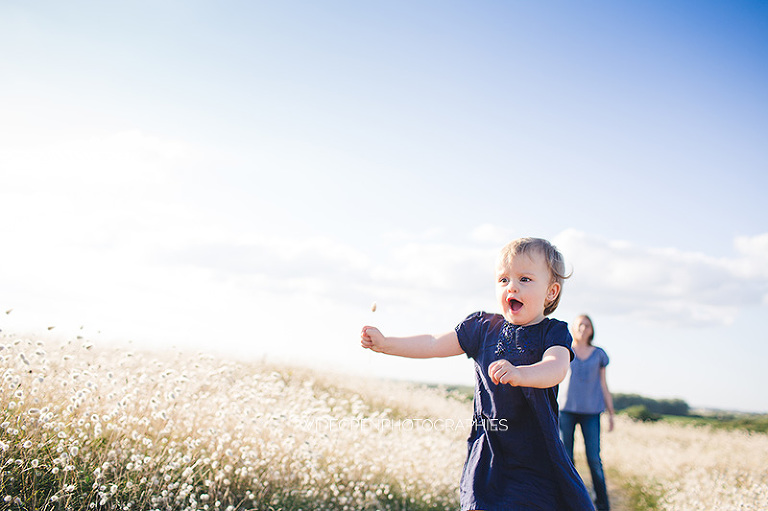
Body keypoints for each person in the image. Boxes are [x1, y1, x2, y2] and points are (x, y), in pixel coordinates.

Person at [361, 238, 594, 511]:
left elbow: (556, 368)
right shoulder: (482, 327)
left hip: (534, 455)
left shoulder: (553, 332)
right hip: (490, 450)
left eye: (525, 279)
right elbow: (434, 343)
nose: (512, 287)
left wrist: (520, 374)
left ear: (551, 292)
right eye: (503, 280)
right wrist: (387, 343)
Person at [559, 315, 615, 511]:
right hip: (566, 410)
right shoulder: (564, 350)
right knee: (566, 458)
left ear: (591, 330)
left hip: (591, 412)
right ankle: (568, 503)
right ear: (574, 328)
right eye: (579, 325)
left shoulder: (599, 354)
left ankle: (603, 505)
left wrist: (611, 413)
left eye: (587, 325)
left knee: (594, 459)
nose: (583, 328)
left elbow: (603, 385)